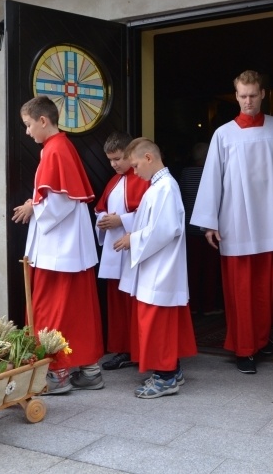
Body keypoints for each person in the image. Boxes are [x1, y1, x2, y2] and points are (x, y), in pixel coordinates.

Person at [190, 70, 273, 374]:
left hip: (271, 219)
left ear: (262, 94)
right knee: (242, 290)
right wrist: (209, 222)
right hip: (235, 221)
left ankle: (261, 336)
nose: (248, 101)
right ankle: (245, 348)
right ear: (236, 96)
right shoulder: (223, 134)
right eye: (242, 96)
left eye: (253, 95)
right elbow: (212, 178)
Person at [12, 96, 104, 393]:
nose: (27, 132)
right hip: (70, 247)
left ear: (43, 120)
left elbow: (61, 201)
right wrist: (35, 203)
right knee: (78, 310)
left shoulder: (55, 150)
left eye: (28, 125)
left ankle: (57, 374)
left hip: (58, 248)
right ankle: (90, 370)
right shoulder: (60, 147)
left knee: (52, 310)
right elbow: (60, 195)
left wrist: (33, 207)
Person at [113, 138, 197, 398]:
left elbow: (165, 229)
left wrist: (133, 239)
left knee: (158, 322)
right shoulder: (159, 186)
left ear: (148, 158)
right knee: (159, 321)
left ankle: (166, 377)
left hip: (162, 267)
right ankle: (173, 370)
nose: (134, 171)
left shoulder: (165, 188)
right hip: (156, 264)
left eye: (136, 165)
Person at [94, 131, 150, 371]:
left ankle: (138, 351)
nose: (114, 164)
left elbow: (149, 215)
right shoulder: (113, 181)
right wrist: (102, 220)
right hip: (115, 251)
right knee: (118, 305)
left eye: (118, 158)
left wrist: (122, 221)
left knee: (133, 304)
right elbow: (100, 208)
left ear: (130, 154)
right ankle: (122, 348)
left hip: (134, 251)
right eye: (110, 160)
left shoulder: (143, 179)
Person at [180, 142, 223, 315]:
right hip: (209, 228)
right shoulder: (210, 173)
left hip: (190, 228)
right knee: (210, 270)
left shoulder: (185, 173)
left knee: (192, 269)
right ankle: (209, 306)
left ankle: (193, 305)